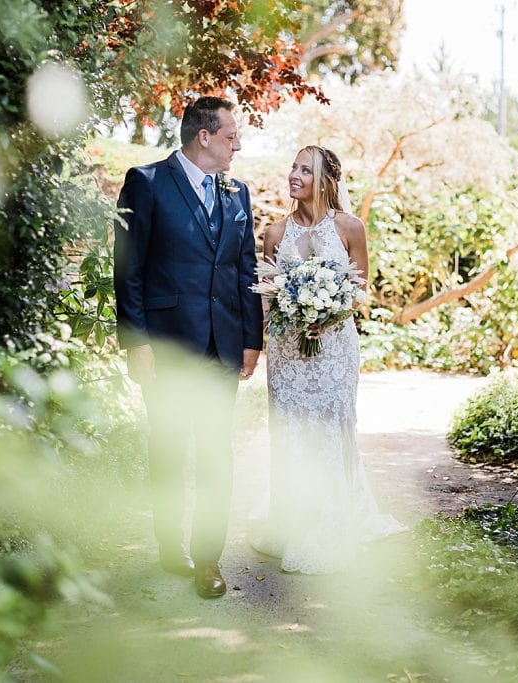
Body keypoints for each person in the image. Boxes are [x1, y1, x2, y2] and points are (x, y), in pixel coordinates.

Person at [113, 96, 264, 599]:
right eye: (230, 135)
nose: (237, 143)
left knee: (217, 454)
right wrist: (137, 342)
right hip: (168, 348)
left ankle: (209, 559)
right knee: (170, 450)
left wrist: (251, 339)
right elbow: (128, 269)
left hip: (222, 348)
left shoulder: (238, 193)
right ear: (204, 136)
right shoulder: (146, 183)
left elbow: (246, 270)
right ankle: (168, 543)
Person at [251, 145, 405, 574]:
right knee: (291, 431)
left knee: (332, 429)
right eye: (293, 167)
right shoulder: (275, 235)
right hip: (287, 354)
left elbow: (359, 290)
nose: (294, 174)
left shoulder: (350, 227)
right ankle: (291, 523)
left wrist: (327, 313)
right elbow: (266, 297)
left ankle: (331, 527)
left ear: (326, 180)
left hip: (334, 347)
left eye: (305, 169)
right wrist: (292, 316)